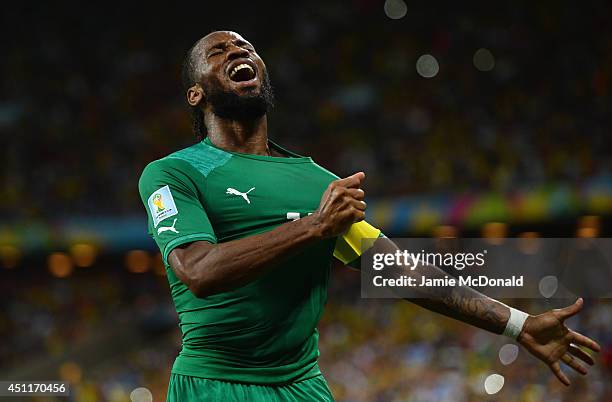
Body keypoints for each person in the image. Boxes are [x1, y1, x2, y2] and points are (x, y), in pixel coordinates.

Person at [138, 31, 600, 401]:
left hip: (303, 386)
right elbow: (197, 270)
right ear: (196, 94)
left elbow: (398, 270)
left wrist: (517, 324)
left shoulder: (319, 181)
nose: (237, 50)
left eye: (246, 47)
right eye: (218, 51)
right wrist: (315, 226)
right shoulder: (173, 173)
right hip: (215, 385)